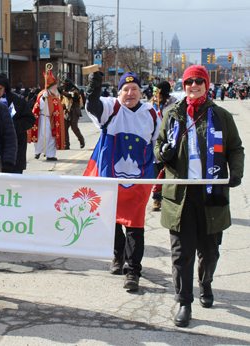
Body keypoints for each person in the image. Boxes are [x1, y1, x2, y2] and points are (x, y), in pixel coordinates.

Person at [155, 65, 244, 327]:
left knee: (210, 251)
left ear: (206, 85)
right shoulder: (172, 114)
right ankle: (184, 301)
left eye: (198, 81)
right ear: (184, 85)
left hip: (211, 193)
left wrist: (235, 173)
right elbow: (159, 145)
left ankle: (205, 282)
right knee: (181, 253)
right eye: (189, 81)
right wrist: (163, 154)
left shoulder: (221, 116)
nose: (193, 85)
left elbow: (235, 148)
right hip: (180, 195)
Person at [84, 71, 160, 291]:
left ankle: (133, 270)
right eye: (125, 89)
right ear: (119, 92)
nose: (130, 93)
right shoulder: (112, 107)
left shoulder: (151, 113)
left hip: (139, 179)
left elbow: (158, 142)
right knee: (112, 218)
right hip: (111, 177)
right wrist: (94, 87)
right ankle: (118, 255)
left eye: (134, 89)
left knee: (135, 224)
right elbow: (94, 106)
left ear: (141, 92)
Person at [0, 71, 36, 173]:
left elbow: (30, 120)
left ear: (5, 87)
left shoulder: (18, 100)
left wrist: (9, 127)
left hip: (15, 150)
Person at [149, 81, 178, 211]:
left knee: (169, 173)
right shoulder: (148, 107)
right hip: (154, 146)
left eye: (159, 93)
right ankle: (156, 198)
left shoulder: (174, 106)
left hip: (169, 144)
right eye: (154, 93)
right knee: (156, 174)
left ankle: (169, 199)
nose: (156, 96)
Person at [27, 70, 65, 161]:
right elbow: (40, 107)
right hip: (42, 119)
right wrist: (43, 99)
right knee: (42, 136)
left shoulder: (55, 95)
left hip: (52, 119)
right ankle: (37, 152)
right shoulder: (42, 94)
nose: (56, 87)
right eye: (54, 85)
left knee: (52, 137)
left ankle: (50, 155)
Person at [60, 78, 85, 150]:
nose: (62, 87)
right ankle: (66, 144)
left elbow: (70, 95)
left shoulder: (75, 90)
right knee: (64, 128)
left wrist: (62, 92)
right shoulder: (63, 92)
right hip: (66, 111)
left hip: (74, 111)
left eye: (63, 85)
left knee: (74, 127)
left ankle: (81, 140)